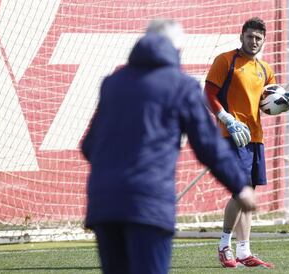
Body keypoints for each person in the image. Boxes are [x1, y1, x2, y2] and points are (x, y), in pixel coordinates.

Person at [81, 19, 257, 274]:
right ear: (175, 49)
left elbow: (88, 146)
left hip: (104, 203)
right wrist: (239, 186)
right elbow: (207, 145)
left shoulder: (113, 83)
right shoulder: (180, 85)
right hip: (149, 202)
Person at [204, 17, 289, 268]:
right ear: (241, 36)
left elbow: (269, 102)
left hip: (255, 137)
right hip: (232, 135)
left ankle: (244, 250)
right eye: (250, 36)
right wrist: (226, 118)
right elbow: (208, 93)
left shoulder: (266, 69)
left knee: (249, 193)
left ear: (264, 41)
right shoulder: (226, 60)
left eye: (258, 38)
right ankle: (224, 245)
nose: (254, 41)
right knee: (241, 190)